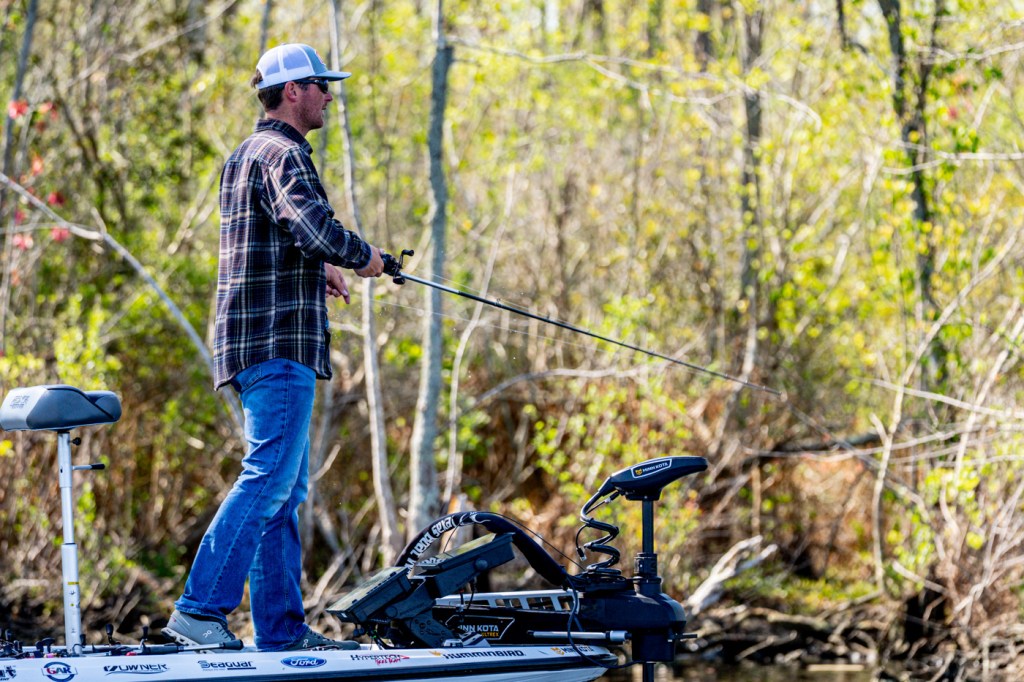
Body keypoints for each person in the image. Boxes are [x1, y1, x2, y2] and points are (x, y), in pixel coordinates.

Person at [163, 43, 386, 652]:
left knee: (282, 491)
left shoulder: (244, 155)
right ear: (293, 91)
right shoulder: (284, 154)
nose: (329, 96)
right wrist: (364, 257)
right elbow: (314, 227)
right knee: (267, 479)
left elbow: (277, 238)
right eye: (321, 86)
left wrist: (321, 267)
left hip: (249, 343)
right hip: (275, 344)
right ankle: (198, 611)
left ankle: (282, 632)